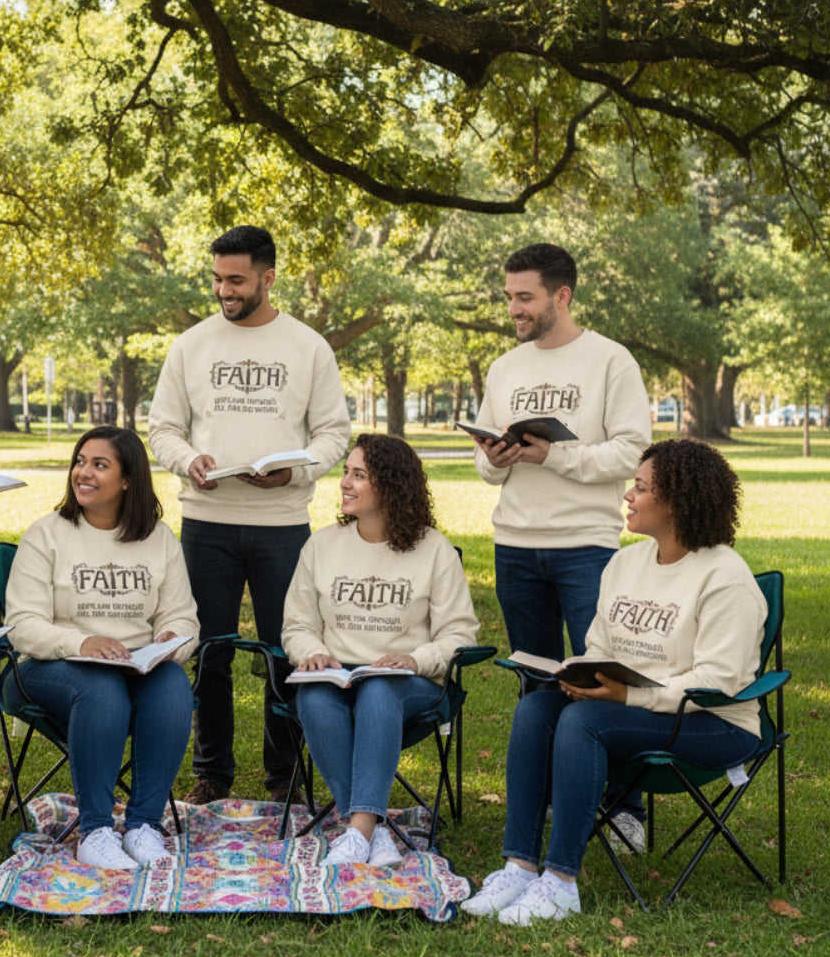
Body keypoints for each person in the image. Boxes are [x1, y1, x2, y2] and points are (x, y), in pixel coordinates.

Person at [461, 439, 765, 925]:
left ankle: (561, 883)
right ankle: (519, 865)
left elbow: (720, 680)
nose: (627, 495)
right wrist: (578, 674)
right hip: (634, 709)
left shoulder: (724, 576)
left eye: (641, 488)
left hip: (714, 724)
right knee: (537, 708)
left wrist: (630, 694)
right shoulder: (625, 563)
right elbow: (600, 644)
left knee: (583, 722)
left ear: (676, 501)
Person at [147, 225, 351, 805]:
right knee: (206, 650)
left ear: (268, 277)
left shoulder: (308, 346)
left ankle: (283, 773)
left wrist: (297, 471)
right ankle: (212, 771)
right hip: (206, 521)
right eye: (217, 279)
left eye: (235, 280)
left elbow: (334, 433)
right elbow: (162, 427)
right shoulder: (191, 344)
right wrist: (189, 461)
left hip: (283, 523)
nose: (224, 291)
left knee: (286, 650)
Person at [472, 242, 651, 847]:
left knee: (604, 679)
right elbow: (488, 468)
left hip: (587, 545)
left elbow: (630, 451)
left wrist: (556, 454)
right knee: (538, 682)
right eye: (510, 297)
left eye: (525, 297)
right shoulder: (504, 368)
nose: (515, 309)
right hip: (515, 543)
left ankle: (627, 810)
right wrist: (496, 458)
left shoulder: (610, 361)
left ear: (562, 295)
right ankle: (551, 799)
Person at [5, 426, 199, 869]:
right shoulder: (48, 534)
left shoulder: (158, 538)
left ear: (128, 479)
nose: (83, 473)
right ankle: (94, 831)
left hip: (136, 667)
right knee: (100, 689)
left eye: (99, 464)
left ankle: (144, 825)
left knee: (172, 683)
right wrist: (83, 642)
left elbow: (181, 615)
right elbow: (22, 626)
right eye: (79, 461)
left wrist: (172, 641)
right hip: (46, 668)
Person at [281, 434, 480, 866]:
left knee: (378, 691)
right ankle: (371, 829)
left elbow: (460, 634)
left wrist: (415, 659)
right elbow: (297, 623)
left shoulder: (433, 550)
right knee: (313, 697)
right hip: (336, 674)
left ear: (390, 485)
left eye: (359, 475)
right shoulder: (322, 545)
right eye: (346, 472)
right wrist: (311, 651)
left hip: (411, 682)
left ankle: (358, 831)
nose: (344, 483)